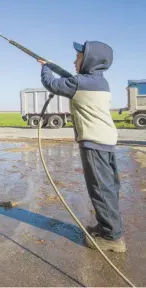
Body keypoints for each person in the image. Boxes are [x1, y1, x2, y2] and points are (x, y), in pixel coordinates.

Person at [38, 40, 126, 253]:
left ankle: (112, 239)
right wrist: (54, 66)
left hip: (94, 143)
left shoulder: (81, 83)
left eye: (78, 57)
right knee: (107, 188)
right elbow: (73, 79)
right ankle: (107, 228)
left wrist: (45, 68)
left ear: (89, 60)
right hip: (104, 141)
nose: (74, 60)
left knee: (100, 189)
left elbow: (52, 84)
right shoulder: (98, 81)